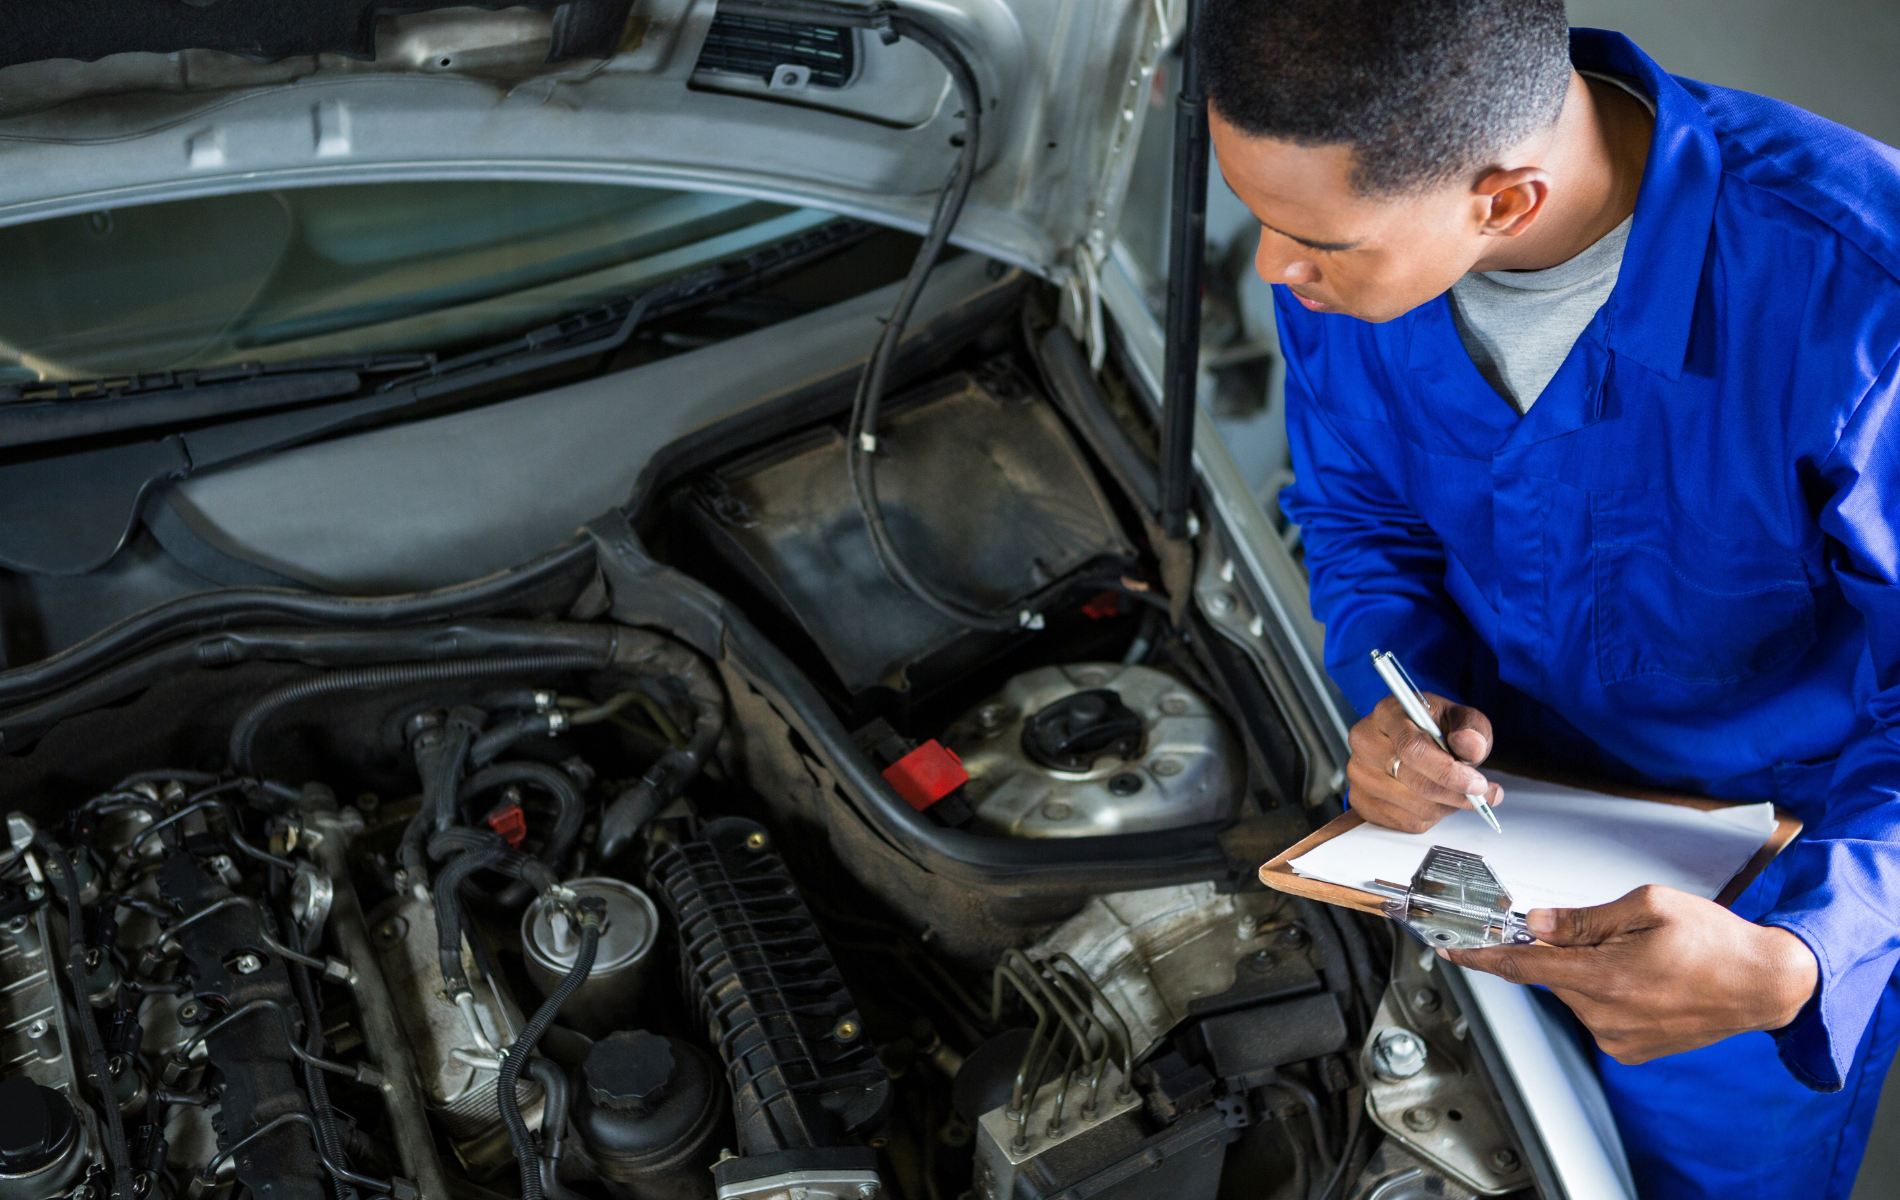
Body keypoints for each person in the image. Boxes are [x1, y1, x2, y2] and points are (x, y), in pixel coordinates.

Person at [1198, 0, 1900, 1195]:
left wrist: (1801, 957)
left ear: (1504, 201)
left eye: (1312, 237)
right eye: (1258, 216)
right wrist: (1402, 696)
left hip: (1751, 913)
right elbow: (1363, 521)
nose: (1272, 266)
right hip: (1472, 853)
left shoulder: (1859, 296)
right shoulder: (1340, 243)